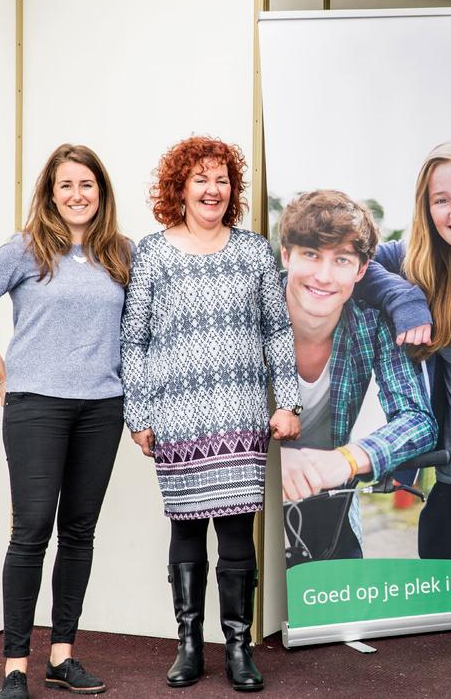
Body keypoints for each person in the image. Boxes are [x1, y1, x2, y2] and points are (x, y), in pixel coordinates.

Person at [121, 136, 301, 692]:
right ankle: (190, 647)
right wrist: (139, 413)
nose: (212, 189)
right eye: (200, 179)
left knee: (236, 533)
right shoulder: (151, 253)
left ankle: (239, 649)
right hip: (176, 417)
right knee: (186, 530)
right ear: (180, 188)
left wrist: (288, 401)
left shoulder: (254, 252)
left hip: (242, 415)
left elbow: (276, 329)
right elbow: (134, 342)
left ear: (233, 189)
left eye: (221, 179)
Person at [0, 144, 131, 699]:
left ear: (101, 192)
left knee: (79, 532)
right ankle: (14, 666)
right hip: (36, 407)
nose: (77, 196)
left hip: (102, 407)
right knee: (30, 533)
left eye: (87, 185)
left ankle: (62, 657)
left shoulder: (122, 253)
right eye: (66, 186)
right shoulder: (24, 249)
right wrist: (4, 372)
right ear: (50, 194)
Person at [355, 139, 451, 560]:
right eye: (441, 200)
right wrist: (403, 299)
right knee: (446, 622)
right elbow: (350, 259)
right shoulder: (423, 263)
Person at [277, 189, 437, 563]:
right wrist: (274, 459)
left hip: (327, 496)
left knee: (340, 595)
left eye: (342, 260)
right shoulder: (248, 314)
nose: (324, 276)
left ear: (362, 269)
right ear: (286, 255)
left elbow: (418, 420)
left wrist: (349, 459)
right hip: (249, 490)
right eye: (311, 255)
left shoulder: (371, 324)